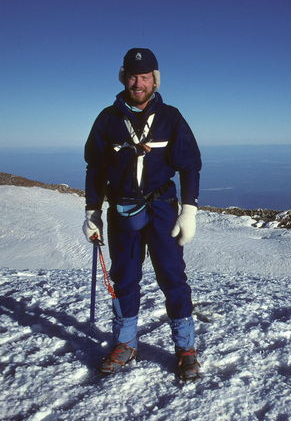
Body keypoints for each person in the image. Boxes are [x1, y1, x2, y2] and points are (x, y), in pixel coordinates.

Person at [82, 48, 202, 381]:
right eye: (133, 76)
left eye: (145, 76)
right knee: (125, 278)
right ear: (124, 77)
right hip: (122, 210)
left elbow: (189, 165)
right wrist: (92, 210)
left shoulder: (171, 117)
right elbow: (95, 167)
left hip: (162, 208)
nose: (139, 83)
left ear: (155, 79)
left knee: (173, 278)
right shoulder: (108, 118)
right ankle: (125, 343)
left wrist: (189, 210)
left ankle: (186, 348)